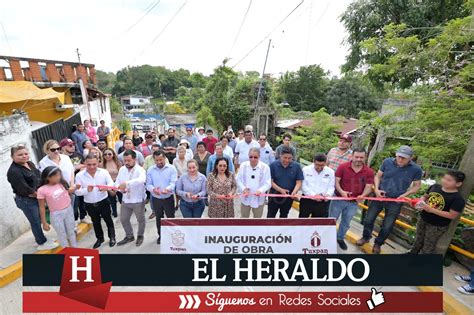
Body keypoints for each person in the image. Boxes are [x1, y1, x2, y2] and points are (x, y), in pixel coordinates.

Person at [357, 145, 422, 253]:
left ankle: (378, 243)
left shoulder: (416, 169)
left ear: (410, 158)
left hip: (396, 201)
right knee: (368, 219)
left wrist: (406, 194)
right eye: (399, 156)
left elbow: (417, 186)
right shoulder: (387, 162)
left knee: (388, 225)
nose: (400, 159)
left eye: (404, 158)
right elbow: (377, 176)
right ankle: (366, 237)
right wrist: (376, 189)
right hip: (380, 197)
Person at [7, 146, 58, 250]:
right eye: (20, 155)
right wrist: (42, 196)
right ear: (12, 157)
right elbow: (25, 189)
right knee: (35, 221)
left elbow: (38, 176)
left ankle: (39, 238)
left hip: (36, 196)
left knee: (38, 220)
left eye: (26, 153)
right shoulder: (14, 171)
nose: (24, 156)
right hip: (27, 200)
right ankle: (41, 243)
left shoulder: (29, 163)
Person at [408, 170, 466, 255]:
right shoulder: (435, 186)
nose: (444, 181)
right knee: (418, 239)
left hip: (437, 225)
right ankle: (412, 253)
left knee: (429, 244)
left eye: (449, 180)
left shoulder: (458, 199)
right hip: (423, 218)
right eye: (444, 178)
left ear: (458, 184)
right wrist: (421, 201)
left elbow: (452, 215)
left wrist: (432, 210)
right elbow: (426, 196)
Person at [329, 149, 374, 251]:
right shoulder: (343, 167)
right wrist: (341, 192)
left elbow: (369, 186)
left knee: (346, 222)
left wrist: (363, 195)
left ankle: (340, 238)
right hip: (338, 199)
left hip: (353, 203)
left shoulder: (369, 172)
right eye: (356, 157)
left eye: (361, 157)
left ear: (365, 158)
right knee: (332, 219)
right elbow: (336, 181)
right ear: (352, 156)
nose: (358, 159)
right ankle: (328, 238)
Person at [75, 154, 116, 248]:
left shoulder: (104, 172)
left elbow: (111, 183)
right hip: (89, 204)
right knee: (95, 222)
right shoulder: (79, 175)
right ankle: (100, 238)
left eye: (94, 164)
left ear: (98, 163)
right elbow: (77, 192)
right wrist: (86, 190)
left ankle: (112, 237)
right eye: (89, 164)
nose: (92, 167)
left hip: (103, 201)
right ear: (85, 163)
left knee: (108, 220)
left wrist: (106, 187)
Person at [37, 167, 77, 248]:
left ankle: (75, 249)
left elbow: (68, 192)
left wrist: (75, 188)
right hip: (56, 214)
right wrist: (44, 222)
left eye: (59, 174)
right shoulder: (42, 190)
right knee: (61, 234)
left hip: (68, 210)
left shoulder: (62, 183)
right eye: (56, 175)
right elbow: (41, 207)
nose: (59, 177)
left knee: (71, 231)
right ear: (48, 177)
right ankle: (67, 252)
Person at [115, 150, 147, 247]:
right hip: (126, 199)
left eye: (129, 160)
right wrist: (120, 189)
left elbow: (141, 180)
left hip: (138, 200)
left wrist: (127, 184)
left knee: (140, 219)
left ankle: (140, 235)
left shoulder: (140, 170)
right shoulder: (122, 169)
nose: (126, 163)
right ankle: (129, 236)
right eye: (125, 160)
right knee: (124, 219)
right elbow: (117, 182)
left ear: (135, 159)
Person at [146, 150, 177, 244]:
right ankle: (161, 235)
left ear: (164, 158)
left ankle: (172, 235)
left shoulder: (171, 168)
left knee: (170, 217)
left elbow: (173, 183)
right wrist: (153, 189)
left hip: (168, 197)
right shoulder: (150, 170)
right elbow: (148, 184)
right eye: (157, 160)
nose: (159, 162)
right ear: (154, 160)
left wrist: (167, 189)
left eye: (161, 159)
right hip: (156, 199)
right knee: (159, 218)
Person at [267, 146, 304, 218]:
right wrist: (280, 190)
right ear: (280, 156)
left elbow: (299, 182)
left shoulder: (297, 166)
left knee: (284, 215)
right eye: (285, 158)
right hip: (274, 195)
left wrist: (295, 191)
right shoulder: (273, 165)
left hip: (288, 196)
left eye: (289, 158)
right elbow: (270, 181)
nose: (287, 160)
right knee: (270, 215)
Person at [59, 138, 89, 224]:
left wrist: (82, 168)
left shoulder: (78, 154)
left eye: (73, 145)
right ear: (63, 147)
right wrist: (75, 167)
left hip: (80, 182)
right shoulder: (61, 158)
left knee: (82, 200)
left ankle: (83, 216)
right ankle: (75, 220)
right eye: (70, 145)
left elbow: (85, 165)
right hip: (68, 184)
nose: (73, 147)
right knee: (74, 203)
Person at [236, 148, 271, 218]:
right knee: (244, 219)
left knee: (257, 220)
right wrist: (243, 188)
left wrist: (260, 190)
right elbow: (238, 179)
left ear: (259, 156)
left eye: (255, 157)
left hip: (259, 199)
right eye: (251, 157)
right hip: (245, 197)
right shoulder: (243, 165)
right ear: (248, 155)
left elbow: (268, 183)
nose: (253, 159)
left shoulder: (265, 167)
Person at [300, 153, 335, 218]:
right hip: (307, 200)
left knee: (318, 223)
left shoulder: (330, 172)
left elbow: (331, 186)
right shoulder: (306, 169)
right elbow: (303, 185)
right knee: (302, 221)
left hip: (323, 201)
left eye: (322, 165)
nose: (319, 167)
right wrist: (314, 195)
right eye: (317, 165)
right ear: (313, 161)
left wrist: (328, 194)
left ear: (325, 163)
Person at [102, 148, 122, 217]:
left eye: (109, 154)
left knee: (121, 199)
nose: (107, 156)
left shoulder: (118, 163)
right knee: (112, 200)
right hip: (108, 184)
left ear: (113, 154)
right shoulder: (102, 165)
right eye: (105, 154)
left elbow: (121, 174)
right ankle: (114, 213)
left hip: (118, 183)